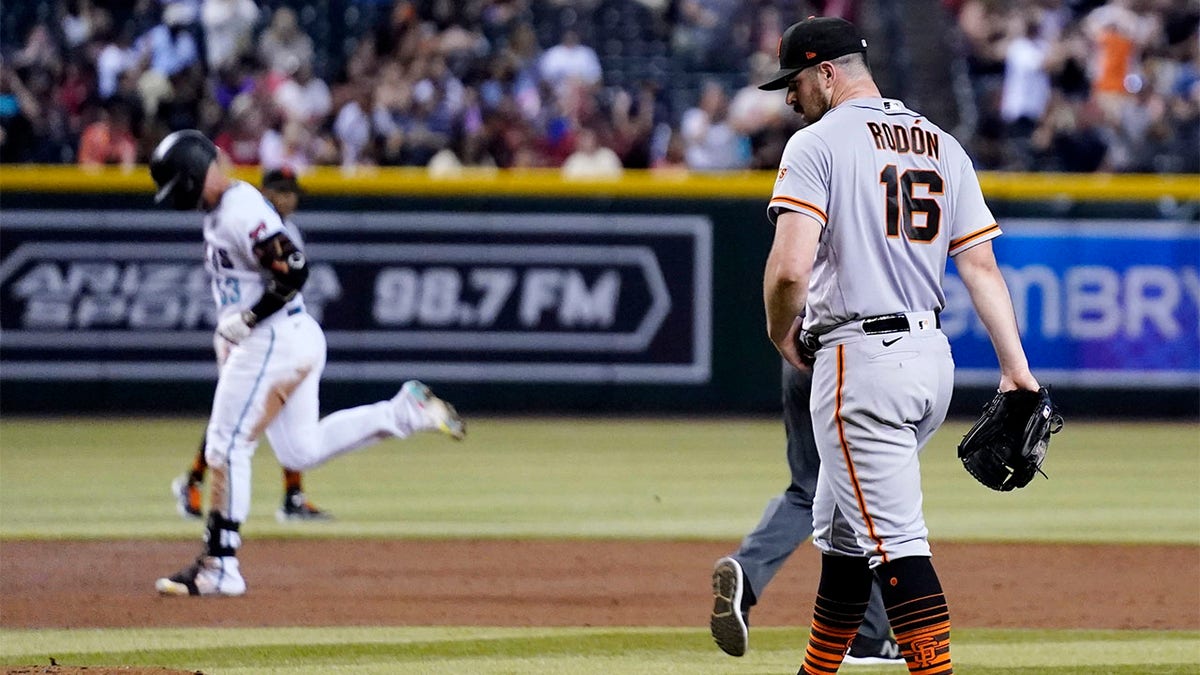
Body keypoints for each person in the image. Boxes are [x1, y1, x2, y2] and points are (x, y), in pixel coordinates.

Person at [757, 17, 1042, 674]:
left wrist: (780, 330)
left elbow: (790, 269)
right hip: (928, 359)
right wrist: (1016, 372)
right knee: (843, 535)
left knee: (898, 548)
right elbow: (980, 268)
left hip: (862, 362)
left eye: (795, 82)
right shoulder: (941, 143)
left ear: (827, 72)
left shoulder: (816, 143)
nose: (789, 97)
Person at [149, 130, 466, 597]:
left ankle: (220, 566)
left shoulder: (240, 210)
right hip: (287, 339)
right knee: (299, 451)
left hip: (271, 339)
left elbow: (295, 269)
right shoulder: (223, 210)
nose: (184, 198)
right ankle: (404, 412)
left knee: (226, 445)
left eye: (184, 185)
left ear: (199, 172)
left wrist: (249, 320)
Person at [709, 362, 901, 665]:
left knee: (808, 490)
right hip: (862, 360)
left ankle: (747, 569)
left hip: (802, 356)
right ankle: (868, 636)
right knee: (867, 492)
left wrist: (786, 340)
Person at [171, 167, 334, 523]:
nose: (291, 198)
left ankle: (291, 494)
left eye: (294, 192)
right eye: (284, 190)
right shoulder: (247, 216)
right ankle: (195, 483)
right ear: (268, 191)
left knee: (259, 411)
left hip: (263, 330)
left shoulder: (279, 228)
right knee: (234, 418)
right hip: (244, 331)